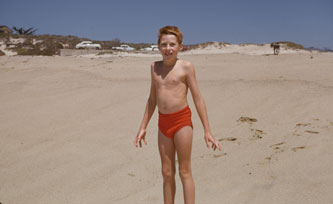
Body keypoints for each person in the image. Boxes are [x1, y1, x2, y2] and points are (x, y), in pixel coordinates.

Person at [134, 25, 221, 204]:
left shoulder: (186, 67)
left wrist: (207, 130)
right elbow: (152, 100)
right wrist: (143, 127)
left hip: (182, 121)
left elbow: (198, 98)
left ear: (180, 47)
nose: (168, 49)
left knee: (184, 171)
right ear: (158, 46)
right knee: (167, 172)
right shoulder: (154, 68)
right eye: (164, 44)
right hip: (163, 123)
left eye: (172, 44)